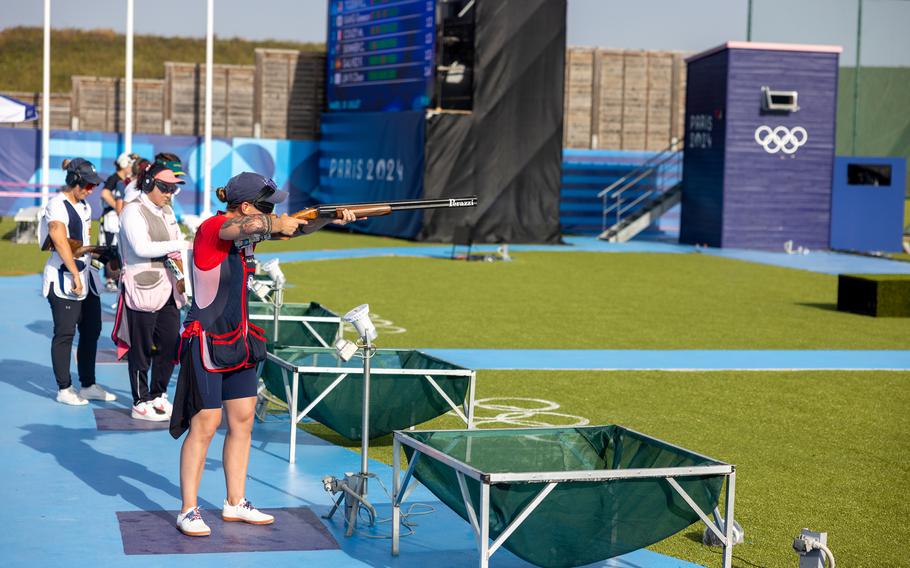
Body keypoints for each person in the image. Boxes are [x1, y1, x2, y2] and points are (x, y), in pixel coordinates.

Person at [170, 172, 357, 537]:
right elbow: (249, 227)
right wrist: (275, 221)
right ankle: (188, 509)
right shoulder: (213, 228)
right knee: (205, 424)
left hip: (239, 340)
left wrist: (329, 216)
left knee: (243, 421)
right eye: (266, 205)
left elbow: (293, 229)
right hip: (207, 338)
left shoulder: (249, 230)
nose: (272, 212)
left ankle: (234, 502)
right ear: (244, 206)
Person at [114, 163, 188, 421]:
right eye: (165, 187)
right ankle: (139, 400)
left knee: (170, 344)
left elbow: (174, 247)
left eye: (173, 189)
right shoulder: (132, 211)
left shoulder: (167, 211)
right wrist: (179, 244)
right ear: (148, 185)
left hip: (169, 290)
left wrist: (182, 277)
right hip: (142, 289)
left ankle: (158, 395)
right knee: (140, 349)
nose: (170, 193)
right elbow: (141, 247)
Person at [40, 158, 117, 405]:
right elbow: (59, 240)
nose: (91, 189)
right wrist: (74, 273)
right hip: (63, 277)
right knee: (64, 333)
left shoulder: (84, 206)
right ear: (74, 180)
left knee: (92, 330)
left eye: (93, 185)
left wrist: (101, 254)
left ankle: (87, 384)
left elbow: (78, 244)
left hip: (85, 275)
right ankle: (64, 388)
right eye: (87, 184)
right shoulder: (57, 205)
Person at [99, 152, 134, 291]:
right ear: (124, 164)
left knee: (118, 246)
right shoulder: (114, 178)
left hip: (118, 216)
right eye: (130, 164)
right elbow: (104, 193)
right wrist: (117, 205)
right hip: (111, 216)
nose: (131, 167)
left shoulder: (126, 179)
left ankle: (115, 276)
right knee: (110, 246)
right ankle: (109, 279)